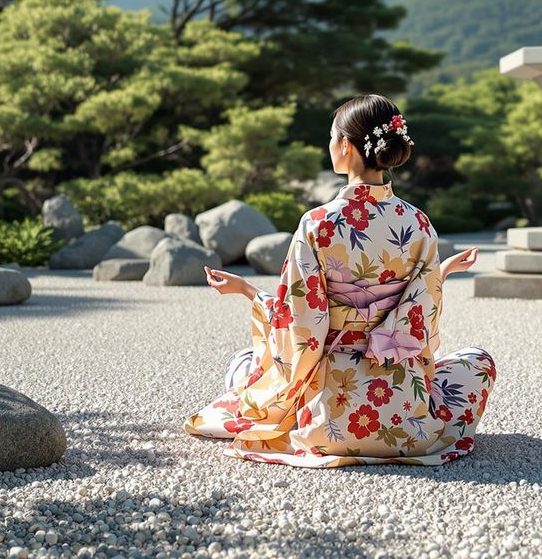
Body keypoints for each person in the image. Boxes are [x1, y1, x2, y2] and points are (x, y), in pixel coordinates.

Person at [183, 94, 497, 467]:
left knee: (246, 362)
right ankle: (403, 428)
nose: (330, 146)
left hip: (328, 417)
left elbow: (300, 326)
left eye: (332, 138)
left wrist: (249, 292)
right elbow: (421, 315)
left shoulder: (318, 223)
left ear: (346, 146)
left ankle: (296, 420)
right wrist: (440, 273)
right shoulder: (417, 223)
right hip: (402, 418)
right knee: (478, 362)